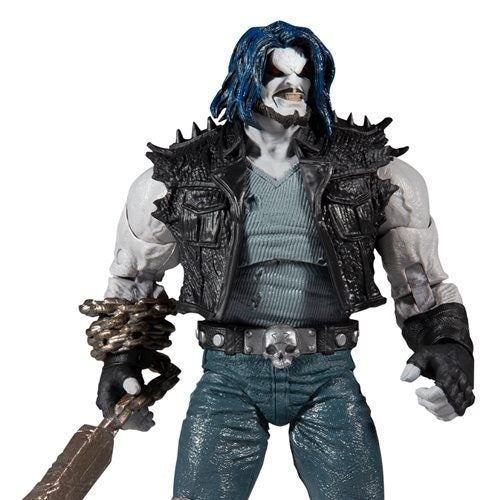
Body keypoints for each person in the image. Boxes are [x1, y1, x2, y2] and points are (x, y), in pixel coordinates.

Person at [92, 21, 474, 500]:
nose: (295, 83)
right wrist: (121, 358)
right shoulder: (180, 177)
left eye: (304, 72)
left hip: (327, 375)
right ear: (244, 79)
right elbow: (135, 276)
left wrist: (449, 343)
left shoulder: (372, 170)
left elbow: (420, 279)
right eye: (277, 72)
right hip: (228, 376)